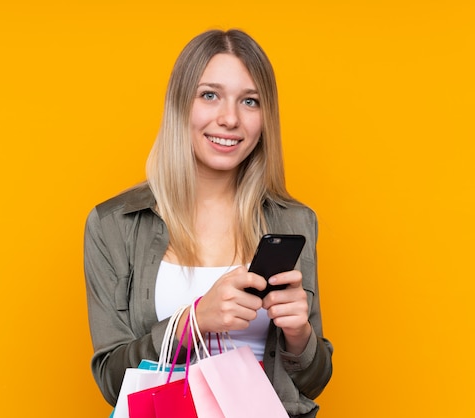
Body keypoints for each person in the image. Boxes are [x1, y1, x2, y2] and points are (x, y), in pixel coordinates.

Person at [84, 29, 333, 417]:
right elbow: (111, 382)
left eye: (250, 101)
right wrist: (194, 319)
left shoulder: (295, 221)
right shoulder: (114, 225)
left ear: (265, 117)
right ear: (180, 103)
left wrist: (300, 337)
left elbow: (312, 381)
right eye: (210, 95)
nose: (230, 118)